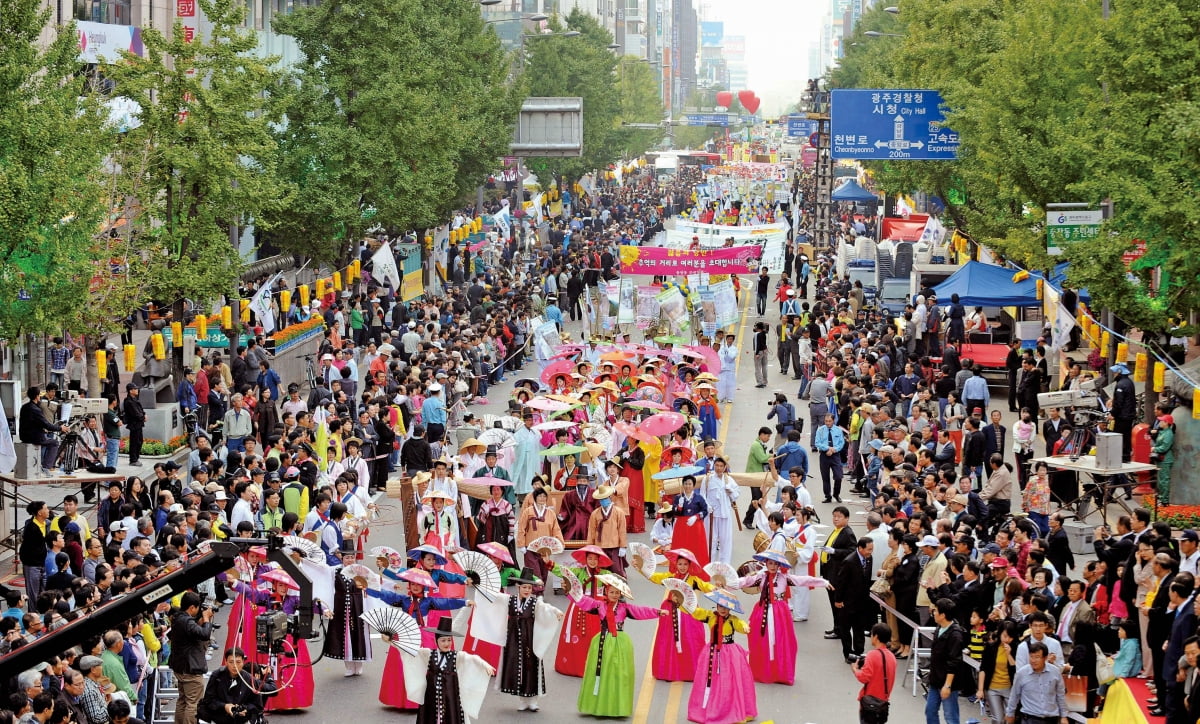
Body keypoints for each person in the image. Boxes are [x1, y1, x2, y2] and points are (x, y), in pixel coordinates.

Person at [569, 575, 666, 718]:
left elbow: (641, 611)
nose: (614, 595)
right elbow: (582, 601)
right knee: (600, 672)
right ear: (606, 592)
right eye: (612, 592)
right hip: (602, 642)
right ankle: (598, 704)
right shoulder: (599, 605)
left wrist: (658, 612)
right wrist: (569, 593)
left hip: (619, 642)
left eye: (617, 592)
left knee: (619, 674)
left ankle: (616, 706)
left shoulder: (624, 608)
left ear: (621, 594)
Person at [469, 567, 563, 712]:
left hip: (529, 639)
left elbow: (546, 608)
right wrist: (477, 584)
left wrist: (556, 612)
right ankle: (522, 699)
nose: (527, 590)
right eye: (524, 587)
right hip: (513, 639)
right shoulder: (509, 600)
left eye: (529, 587)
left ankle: (532, 700)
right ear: (518, 587)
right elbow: (494, 596)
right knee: (516, 667)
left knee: (531, 667)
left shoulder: (534, 603)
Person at [735, 549, 829, 684]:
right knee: (762, 640)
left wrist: (823, 582)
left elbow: (803, 580)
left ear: (779, 565)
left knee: (782, 640)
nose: (773, 566)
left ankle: (780, 672)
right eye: (770, 563)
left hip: (780, 613)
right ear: (766, 563)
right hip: (763, 611)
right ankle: (764, 671)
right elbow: (744, 581)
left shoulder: (785, 578)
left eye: (775, 564)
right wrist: (726, 583)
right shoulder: (760, 577)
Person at [398, 617, 495, 724]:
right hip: (431, 696)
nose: (446, 643)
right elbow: (410, 650)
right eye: (443, 640)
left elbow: (472, 658)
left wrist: (485, 665)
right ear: (436, 641)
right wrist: (391, 641)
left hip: (450, 698)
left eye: (449, 640)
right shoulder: (429, 654)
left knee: (450, 717)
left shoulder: (456, 656)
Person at [686, 589, 757, 724]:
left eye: (726, 607)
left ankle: (729, 709)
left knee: (729, 681)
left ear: (730, 609)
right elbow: (695, 612)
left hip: (729, 654)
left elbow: (741, 624)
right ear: (716, 606)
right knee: (709, 680)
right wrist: (684, 603)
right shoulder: (710, 616)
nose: (723, 610)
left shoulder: (732, 620)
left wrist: (745, 628)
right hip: (712, 652)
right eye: (720, 606)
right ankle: (709, 708)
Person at [322, 540, 372, 676]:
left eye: (352, 557)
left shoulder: (361, 572)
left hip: (358, 606)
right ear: (342, 558)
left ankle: (358, 664)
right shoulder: (334, 571)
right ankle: (349, 666)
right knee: (343, 636)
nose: (350, 560)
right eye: (347, 557)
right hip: (340, 606)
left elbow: (373, 586)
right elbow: (324, 581)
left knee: (358, 634)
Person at [170, 591, 215, 724]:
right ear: (191, 608)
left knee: (183, 701)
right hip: (190, 669)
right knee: (194, 704)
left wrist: (200, 622)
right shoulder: (187, 621)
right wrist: (206, 619)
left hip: (181, 668)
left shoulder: (178, 618)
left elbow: (193, 633)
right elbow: (205, 634)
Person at [197, 648, 271, 724]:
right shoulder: (217, 676)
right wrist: (225, 706)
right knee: (202, 711)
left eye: (238, 662)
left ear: (243, 662)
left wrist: (246, 709)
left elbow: (257, 705)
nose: (235, 666)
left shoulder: (250, 680)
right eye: (231, 662)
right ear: (226, 662)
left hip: (242, 718)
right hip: (219, 715)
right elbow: (208, 700)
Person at [833, 537, 877, 665]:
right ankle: (848, 653)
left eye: (872, 550)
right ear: (860, 548)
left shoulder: (869, 559)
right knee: (845, 628)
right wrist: (838, 599)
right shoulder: (849, 561)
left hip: (861, 601)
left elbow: (866, 579)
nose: (870, 552)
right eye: (868, 549)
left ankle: (859, 652)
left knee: (859, 628)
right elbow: (841, 582)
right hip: (847, 601)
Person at [1004, 641, 1068, 724]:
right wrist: (1010, 713)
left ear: (1045, 658)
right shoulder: (1021, 673)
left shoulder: (1055, 672)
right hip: (1029, 718)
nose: (1033, 660)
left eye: (1037, 657)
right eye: (1031, 657)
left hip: (1051, 718)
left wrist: (1064, 716)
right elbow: (1014, 695)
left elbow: (1060, 695)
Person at [926, 598, 965, 724]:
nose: (933, 613)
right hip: (935, 679)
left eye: (936, 611)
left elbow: (954, 661)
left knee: (950, 716)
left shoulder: (955, 634)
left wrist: (947, 686)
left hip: (948, 683)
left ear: (943, 615)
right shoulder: (939, 628)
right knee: (930, 710)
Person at [854, 623, 898, 724]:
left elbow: (864, 677)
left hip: (869, 703)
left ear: (876, 636)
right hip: (883, 703)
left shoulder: (872, 655)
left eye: (872, 634)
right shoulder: (892, 657)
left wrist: (856, 670)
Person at [698, 456, 738, 566]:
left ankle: (724, 565)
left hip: (725, 514)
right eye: (717, 466)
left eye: (721, 466)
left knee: (725, 540)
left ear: (725, 467)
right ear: (713, 466)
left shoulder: (729, 480)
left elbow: (736, 495)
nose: (719, 468)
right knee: (711, 540)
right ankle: (709, 564)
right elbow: (702, 495)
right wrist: (707, 506)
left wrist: (730, 491)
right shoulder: (707, 479)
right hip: (711, 514)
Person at [19, 386, 69, 475]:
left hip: (24, 436)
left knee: (46, 438)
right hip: (34, 437)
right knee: (54, 443)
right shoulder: (36, 409)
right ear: (37, 396)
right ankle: (46, 467)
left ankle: (42, 465)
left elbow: (31, 423)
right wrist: (61, 428)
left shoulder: (24, 407)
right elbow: (46, 425)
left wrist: (42, 429)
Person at [585, 485, 628, 576]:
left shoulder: (618, 512)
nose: (603, 501)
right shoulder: (595, 513)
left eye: (605, 498)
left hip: (614, 545)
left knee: (617, 570)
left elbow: (622, 530)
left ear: (609, 497)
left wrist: (623, 546)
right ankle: (601, 589)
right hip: (600, 546)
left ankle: (619, 589)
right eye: (601, 499)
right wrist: (590, 546)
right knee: (600, 571)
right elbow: (591, 531)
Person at [19, 500, 50, 603]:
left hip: (42, 563)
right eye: (45, 508)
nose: (48, 510)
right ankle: (33, 615)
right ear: (39, 512)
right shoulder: (31, 527)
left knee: (44, 593)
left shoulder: (46, 523)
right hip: (32, 565)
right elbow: (27, 549)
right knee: (33, 595)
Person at [815, 413, 846, 503]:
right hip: (824, 455)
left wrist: (834, 450)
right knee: (825, 477)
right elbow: (817, 443)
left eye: (830, 421)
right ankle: (827, 496)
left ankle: (836, 494)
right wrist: (828, 448)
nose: (828, 423)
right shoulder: (820, 430)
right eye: (826, 421)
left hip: (835, 455)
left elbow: (841, 443)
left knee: (838, 476)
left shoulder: (838, 430)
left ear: (833, 421)